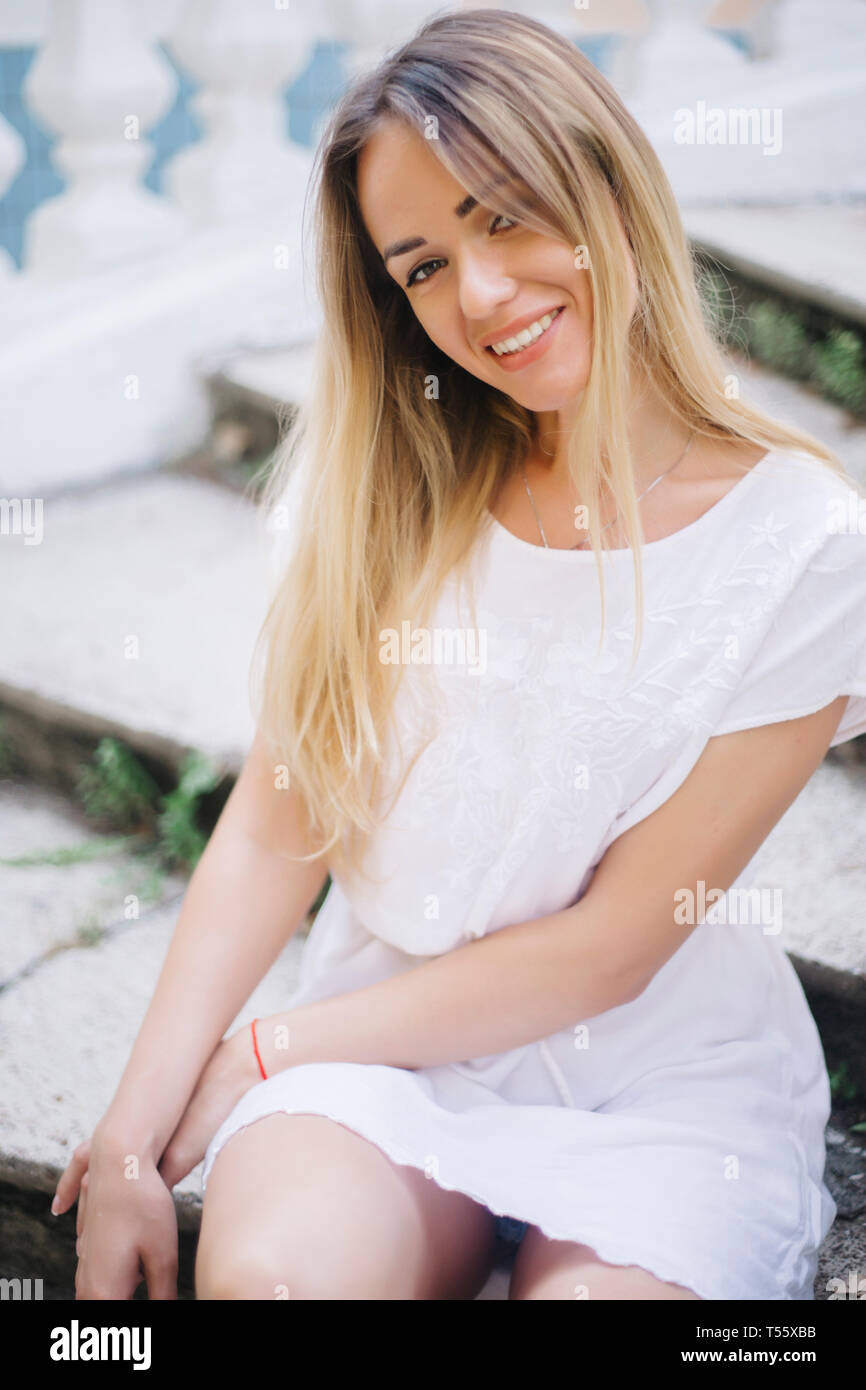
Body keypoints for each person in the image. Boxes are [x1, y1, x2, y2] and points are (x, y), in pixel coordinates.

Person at [53, 9, 866, 1301]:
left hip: (649, 1080)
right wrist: (125, 1147)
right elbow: (275, 827)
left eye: (502, 217)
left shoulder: (802, 543)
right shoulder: (385, 486)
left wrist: (267, 1043)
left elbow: (612, 942)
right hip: (388, 1058)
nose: (478, 297)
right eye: (423, 265)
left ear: (603, 182)